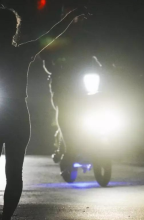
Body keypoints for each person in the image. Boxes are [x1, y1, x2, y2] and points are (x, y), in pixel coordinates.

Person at [0, 7, 86, 220]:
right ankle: (6, 218)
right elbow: (54, 32)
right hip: (18, 117)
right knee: (14, 174)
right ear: (15, 29)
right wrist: (72, 15)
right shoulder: (23, 52)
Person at [39, 19, 103, 172]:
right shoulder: (56, 35)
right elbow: (44, 54)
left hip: (83, 82)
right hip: (62, 81)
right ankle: (69, 149)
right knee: (65, 111)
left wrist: (112, 66)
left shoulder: (88, 36)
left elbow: (103, 54)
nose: (75, 19)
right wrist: (54, 68)